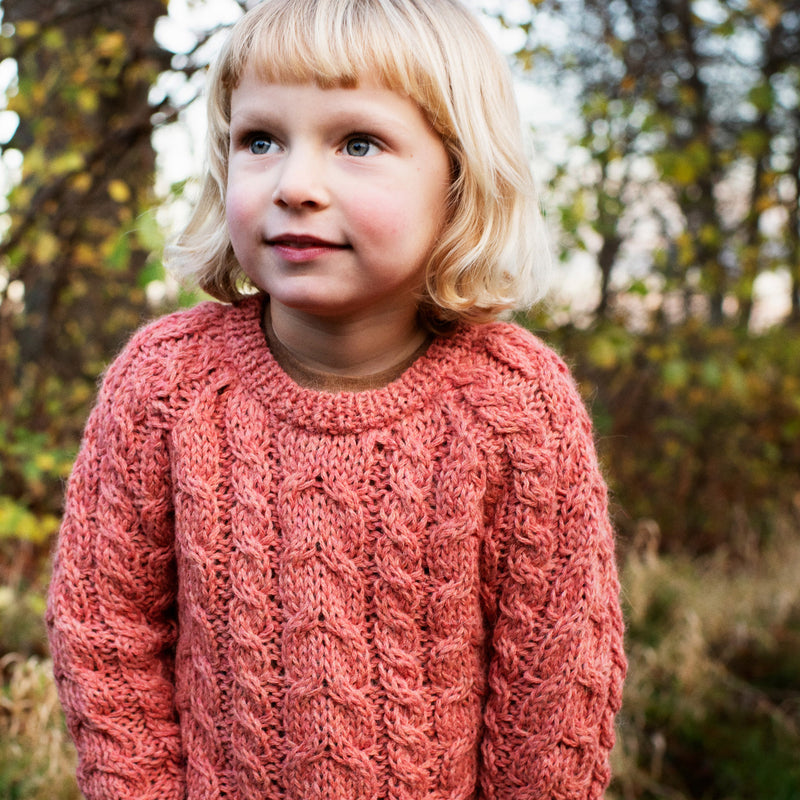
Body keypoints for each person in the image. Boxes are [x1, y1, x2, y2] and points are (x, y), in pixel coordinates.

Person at [46, 0, 626, 798]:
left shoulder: (515, 407)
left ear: (458, 178)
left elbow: (553, 692)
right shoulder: (164, 384)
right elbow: (106, 637)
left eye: (358, 143)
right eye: (261, 140)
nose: (295, 185)